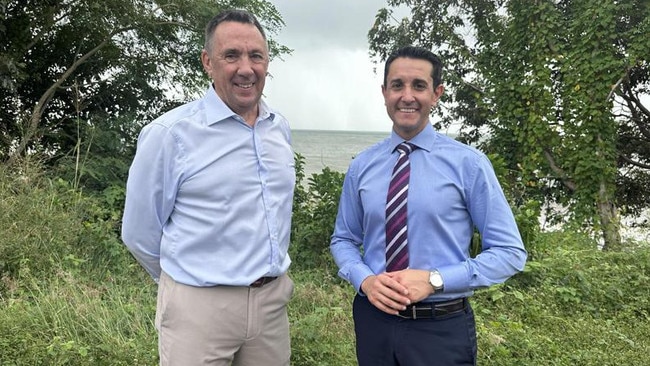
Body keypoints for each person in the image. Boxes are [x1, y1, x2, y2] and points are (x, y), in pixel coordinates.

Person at [330, 45, 528, 365]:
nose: (407, 96)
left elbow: (509, 253)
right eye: (397, 85)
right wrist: (365, 280)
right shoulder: (362, 166)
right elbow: (344, 239)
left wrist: (436, 279)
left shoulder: (469, 164)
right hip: (373, 321)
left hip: (440, 327)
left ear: (436, 93)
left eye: (418, 86)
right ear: (384, 92)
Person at [121, 9, 295, 366]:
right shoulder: (171, 134)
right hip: (198, 309)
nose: (246, 68)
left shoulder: (279, 129)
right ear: (207, 62)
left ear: (267, 62)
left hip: (271, 307)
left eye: (256, 56)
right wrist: (186, 283)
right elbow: (139, 232)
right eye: (231, 55)